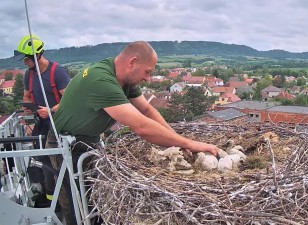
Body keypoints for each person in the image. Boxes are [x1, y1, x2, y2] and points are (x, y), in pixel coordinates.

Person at [48, 41, 219, 224]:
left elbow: (146, 111)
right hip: (65, 146)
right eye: (148, 72)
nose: (148, 78)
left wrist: (178, 141)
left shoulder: (122, 76)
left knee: (96, 200)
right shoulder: (102, 80)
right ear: (133, 62)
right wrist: (190, 144)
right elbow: (141, 126)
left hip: (87, 141)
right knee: (79, 207)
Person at [14, 34, 71, 207]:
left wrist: (51, 110)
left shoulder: (57, 73)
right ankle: (51, 200)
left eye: (26, 59)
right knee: (42, 160)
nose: (24, 63)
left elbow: (70, 100)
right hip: (42, 124)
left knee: (58, 163)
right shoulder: (28, 75)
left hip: (59, 125)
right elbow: (27, 95)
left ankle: (65, 200)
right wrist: (27, 106)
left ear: (37, 55)